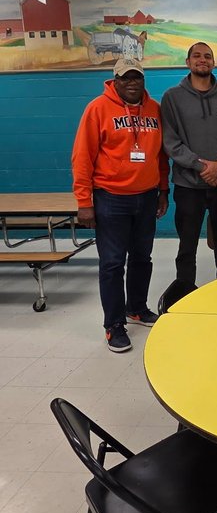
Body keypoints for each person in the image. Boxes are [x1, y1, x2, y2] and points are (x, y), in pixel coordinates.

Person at [71, 57, 169, 353]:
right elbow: (82, 157)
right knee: (112, 264)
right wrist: (84, 201)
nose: (131, 83)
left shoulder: (155, 109)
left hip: (147, 195)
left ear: (143, 80)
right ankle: (114, 325)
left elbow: (161, 156)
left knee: (142, 257)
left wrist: (163, 190)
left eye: (136, 77)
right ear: (114, 80)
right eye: (125, 78)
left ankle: (136, 307)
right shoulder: (97, 109)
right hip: (110, 198)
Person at [160, 41, 217, 287]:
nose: (202, 59)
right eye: (197, 56)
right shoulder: (172, 98)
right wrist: (202, 167)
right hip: (188, 186)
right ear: (188, 62)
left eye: (207, 56)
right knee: (187, 245)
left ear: (214, 63)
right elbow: (170, 142)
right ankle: (185, 292)